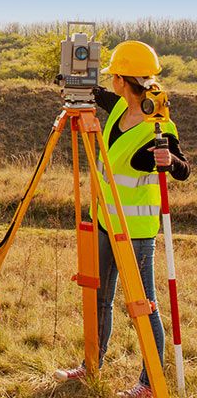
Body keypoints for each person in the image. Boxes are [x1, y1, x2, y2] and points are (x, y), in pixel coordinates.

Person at [54, 41, 191, 397]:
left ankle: (148, 384)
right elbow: (96, 95)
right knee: (99, 296)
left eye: (113, 76)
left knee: (143, 306)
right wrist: (71, 81)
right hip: (104, 221)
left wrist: (169, 162)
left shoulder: (159, 124)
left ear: (122, 80)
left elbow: (183, 170)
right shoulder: (118, 108)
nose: (109, 82)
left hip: (136, 232)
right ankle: (91, 366)